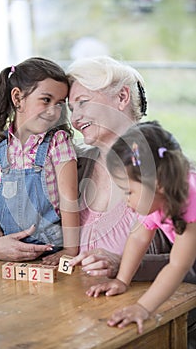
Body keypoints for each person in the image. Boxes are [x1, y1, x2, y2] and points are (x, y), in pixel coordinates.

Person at [85, 121, 196, 342]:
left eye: (128, 192)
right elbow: (138, 237)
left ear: (159, 184)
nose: (126, 201)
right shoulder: (154, 197)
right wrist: (122, 281)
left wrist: (143, 308)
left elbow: (178, 266)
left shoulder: (189, 205)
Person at [65, 55, 173, 278]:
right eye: (72, 109)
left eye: (83, 102)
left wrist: (126, 265)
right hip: (77, 304)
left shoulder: (166, 167)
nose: (75, 119)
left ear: (122, 97)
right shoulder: (72, 164)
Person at [0, 57, 79, 264]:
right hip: (7, 249)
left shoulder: (58, 142)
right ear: (17, 98)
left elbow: (69, 198)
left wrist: (70, 249)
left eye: (60, 103)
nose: (53, 111)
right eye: (46, 100)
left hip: (50, 251)